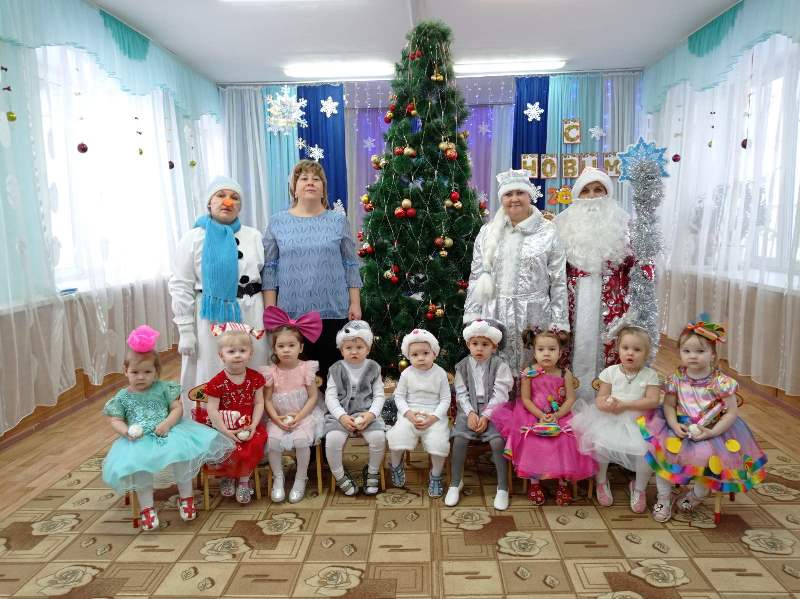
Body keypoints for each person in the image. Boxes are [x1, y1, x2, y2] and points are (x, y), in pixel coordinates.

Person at [102, 326, 234, 530]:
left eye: (147, 372)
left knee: (182, 456)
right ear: (125, 370)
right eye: (135, 372)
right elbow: (115, 420)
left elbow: (177, 408)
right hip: (140, 440)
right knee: (140, 467)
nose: (141, 377)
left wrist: (167, 423)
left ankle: (186, 498)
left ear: (156, 372)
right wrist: (125, 432)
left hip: (170, 432)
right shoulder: (122, 397)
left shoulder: (164, 388)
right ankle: (147, 508)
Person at [639, 319, 767, 522]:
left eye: (700, 351)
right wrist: (674, 425)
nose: (693, 356)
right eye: (687, 351)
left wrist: (712, 432)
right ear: (680, 353)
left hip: (714, 429)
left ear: (713, 354)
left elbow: (731, 413)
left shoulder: (721, 382)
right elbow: (669, 405)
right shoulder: (675, 378)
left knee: (710, 459)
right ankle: (664, 496)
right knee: (664, 453)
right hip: (679, 424)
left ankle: (695, 496)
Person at [554, 166, 654, 404]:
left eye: (598, 189)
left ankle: (609, 398)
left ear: (607, 193)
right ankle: (570, 397)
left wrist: (637, 303)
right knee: (573, 348)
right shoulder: (561, 224)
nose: (592, 196)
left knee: (611, 348)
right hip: (572, 302)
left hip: (613, 303)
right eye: (586, 190)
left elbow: (642, 266)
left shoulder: (625, 224)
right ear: (578, 195)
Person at [169, 177, 269, 413]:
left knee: (254, 363)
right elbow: (181, 284)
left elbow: (268, 277)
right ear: (209, 202)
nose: (227, 201)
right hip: (212, 316)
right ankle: (209, 421)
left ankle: (253, 419)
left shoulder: (254, 236)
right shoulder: (194, 238)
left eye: (234, 197)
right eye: (221, 195)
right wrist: (185, 330)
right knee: (212, 366)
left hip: (251, 312)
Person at [262, 160, 362, 385]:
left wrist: (355, 302)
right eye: (303, 178)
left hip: (333, 311)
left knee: (332, 378)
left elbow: (350, 264)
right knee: (296, 381)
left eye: (316, 179)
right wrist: (270, 310)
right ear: (294, 188)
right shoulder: (277, 222)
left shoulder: (338, 221)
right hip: (291, 315)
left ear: (323, 188)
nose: (310, 182)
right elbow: (270, 268)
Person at [464, 168, 569, 376]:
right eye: (508, 194)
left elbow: (558, 280)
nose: (514, 199)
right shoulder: (487, 232)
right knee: (497, 373)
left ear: (529, 195)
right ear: (501, 199)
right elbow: (476, 276)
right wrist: (473, 315)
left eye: (520, 193)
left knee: (534, 371)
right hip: (495, 313)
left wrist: (559, 321)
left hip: (534, 315)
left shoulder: (548, 231)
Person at [491, 328, 597, 506]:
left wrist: (557, 415)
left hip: (559, 414)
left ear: (560, 353)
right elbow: (525, 399)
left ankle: (563, 483)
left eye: (552, 349)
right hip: (533, 414)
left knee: (566, 439)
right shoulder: (529, 372)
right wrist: (541, 415)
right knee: (533, 440)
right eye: (541, 349)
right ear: (534, 352)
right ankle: (535, 483)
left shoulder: (565, 373)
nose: (546, 353)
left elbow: (570, 398)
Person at [571, 326, 661, 513]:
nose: (630, 353)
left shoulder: (650, 375)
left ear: (646, 353)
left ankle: (639, 488)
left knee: (647, 451)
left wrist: (626, 405)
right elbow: (600, 399)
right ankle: (601, 481)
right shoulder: (611, 372)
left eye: (637, 349)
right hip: (611, 418)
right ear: (618, 349)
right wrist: (607, 405)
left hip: (640, 421)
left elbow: (652, 401)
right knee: (601, 444)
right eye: (625, 348)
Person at [445, 320, 513, 510]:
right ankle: (455, 482)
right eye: (475, 344)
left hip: (494, 409)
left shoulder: (500, 365)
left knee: (497, 442)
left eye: (485, 344)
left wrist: (486, 416)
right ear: (468, 345)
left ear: (494, 346)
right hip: (468, 408)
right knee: (459, 439)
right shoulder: (462, 366)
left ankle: (502, 487)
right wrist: (471, 413)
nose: (479, 348)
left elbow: (501, 394)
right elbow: (461, 393)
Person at [262, 305, 325, 504]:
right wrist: (276, 419)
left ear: (301, 348)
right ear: (274, 349)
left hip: (304, 416)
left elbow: (313, 397)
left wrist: (299, 417)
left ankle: (300, 478)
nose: (286, 350)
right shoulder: (271, 372)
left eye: (291, 345)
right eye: (281, 346)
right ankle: (278, 478)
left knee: (300, 441)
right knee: (273, 441)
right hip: (279, 417)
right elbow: (267, 399)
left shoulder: (306, 368)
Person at [200, 325, 268, 504]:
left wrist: (253, 425)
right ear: (221, 355)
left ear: (250, 353)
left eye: (242, 351)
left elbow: (259, 403)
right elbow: (212, 410)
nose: (237, 355)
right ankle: (228, 476)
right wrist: (225, 431)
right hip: (222, 427)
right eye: (231, 351)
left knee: (252, 445)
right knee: (227, 446)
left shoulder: (255, 378)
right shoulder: (216, 382)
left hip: (248, 425)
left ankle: (244, 481)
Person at [386, 329, 451, 498]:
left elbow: (445, 399)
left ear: (434, 353)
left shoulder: (440, 373)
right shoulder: (406, 374)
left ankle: (435, 475)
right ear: (409, 356)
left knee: (439, 442)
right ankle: (396, 465)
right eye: (415, 355)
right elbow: (399, 397)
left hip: (434, 414)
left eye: (425, 353)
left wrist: (433, 418)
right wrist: (408, 414)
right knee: (397, 436)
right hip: (410, 412)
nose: (420, 358)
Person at [324, 320, 386, 496]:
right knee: (333, 439)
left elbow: (379, 395)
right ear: (341, 349)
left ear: (368, 348)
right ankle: (339, 474)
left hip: (366, 412)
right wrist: (341, 416)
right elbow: (330, 397)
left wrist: (371, 414)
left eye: (359, 347)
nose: (354, 351)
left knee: (378, 438)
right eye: (348, 348)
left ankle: (372, 471)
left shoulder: (373, 367)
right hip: (339, 414)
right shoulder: (335, 369)